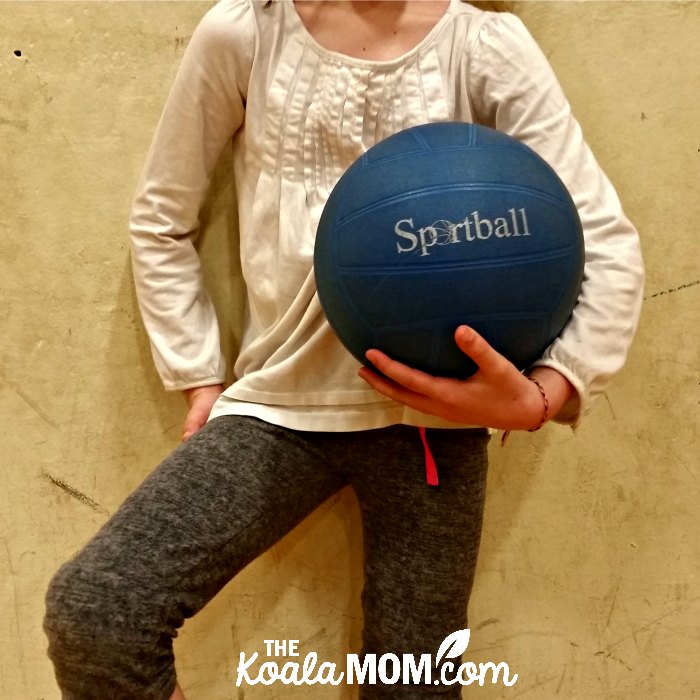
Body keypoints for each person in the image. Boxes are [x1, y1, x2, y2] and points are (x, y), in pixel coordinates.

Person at [43, 0, 644, 698]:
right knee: (99, 611)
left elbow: (603, 237)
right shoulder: (245, 34)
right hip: (279, 411)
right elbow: (160, 220)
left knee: (413, 685)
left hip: (432, 429)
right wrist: (198, 373)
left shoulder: (483, 44)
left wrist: (547, 393)